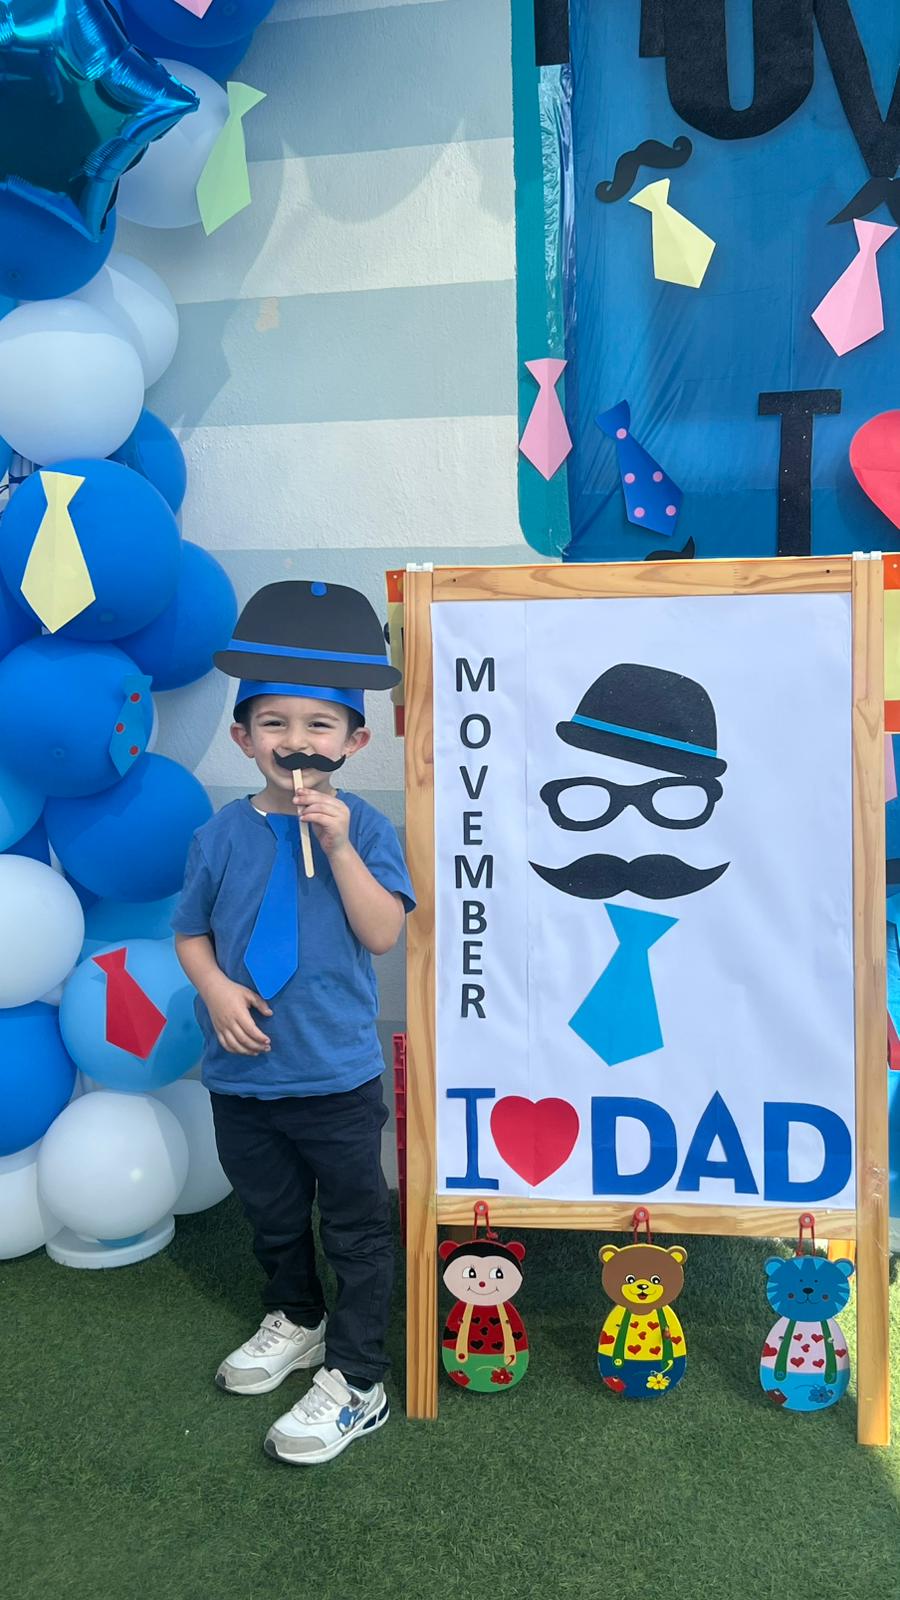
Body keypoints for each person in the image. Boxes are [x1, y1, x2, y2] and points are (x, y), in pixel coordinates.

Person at [172, 580, 414, 1466]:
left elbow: (382, 932)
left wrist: (341, 844)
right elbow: (190, 932)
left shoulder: (368, 830)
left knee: (356, 1227)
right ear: (244, 737)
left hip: (335, 1078)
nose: (295, 741)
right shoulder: (219, 836)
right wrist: (215, 990)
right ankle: (298, 1319)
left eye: (319, 724)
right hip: (241, 1078)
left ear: (353, 741)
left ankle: (358, 1376)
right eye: (273, 722)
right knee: (273, 1217)